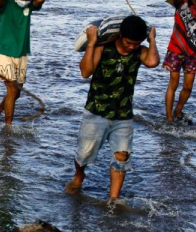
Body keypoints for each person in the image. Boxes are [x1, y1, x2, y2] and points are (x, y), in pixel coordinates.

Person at [66, 15, 159, 201]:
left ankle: (113, 199)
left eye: (136, 43)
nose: (132, 46)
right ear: (120, 35)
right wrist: (92, 43)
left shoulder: (139, 51)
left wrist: (152, 39)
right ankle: (79, 176)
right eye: (129, 42)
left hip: (123, 114)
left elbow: (153, 62)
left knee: (122, 157)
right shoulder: (103, 47)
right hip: (96, 112)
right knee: (84, 154)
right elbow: (85, 72)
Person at [0, 0, 46, 126]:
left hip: (22, 52)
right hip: (5, 52)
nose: (25, 1)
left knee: (17, 92)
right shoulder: (6, 4)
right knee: (11, 88)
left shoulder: (29, 6)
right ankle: (8, 127)